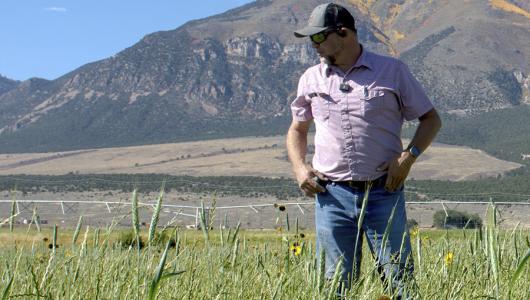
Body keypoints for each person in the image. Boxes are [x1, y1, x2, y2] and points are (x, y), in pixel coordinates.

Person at [286, 2, 442, 298]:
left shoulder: (392, 70)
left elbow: (431, 119)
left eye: (318, 37)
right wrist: (299, 168)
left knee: (400, 283)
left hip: (384, 191)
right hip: (331, 196)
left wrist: (408, 158)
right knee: (335, 287)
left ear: (342, 33)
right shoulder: (311, 79)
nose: (313, 45)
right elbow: (297, 129)